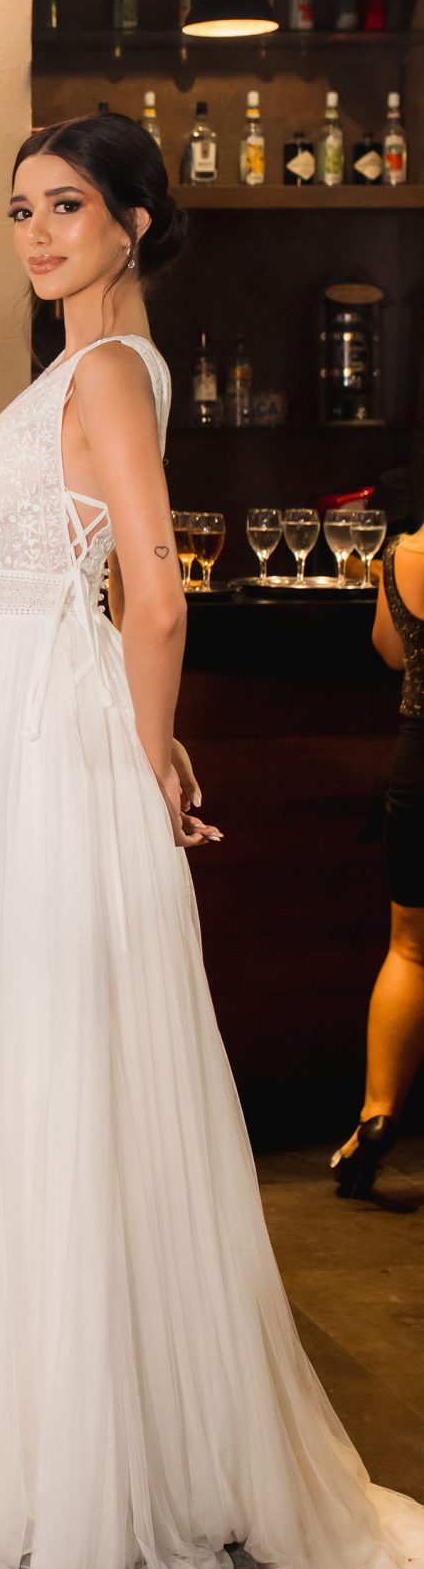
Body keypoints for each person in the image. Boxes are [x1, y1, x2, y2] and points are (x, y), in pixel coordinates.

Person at [0, 112, 424, 1569]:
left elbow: (151, 594)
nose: (33, 232)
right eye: (19, 208)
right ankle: (37, 1428)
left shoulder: (104, 376)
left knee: (45, 1082)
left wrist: (143, 763)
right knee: (21, 1081)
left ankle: (67, 1461)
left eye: (63, 206)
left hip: (49, 753)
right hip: (16, 730)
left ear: (133, 220)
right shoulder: (79, 365)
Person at [330, 505, 424, 1198]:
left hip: (417, 768)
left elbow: (390, 650)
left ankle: (375, 1117)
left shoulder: (402, 553)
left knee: (410, 948)